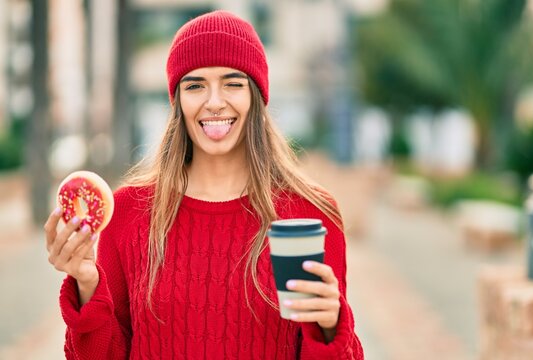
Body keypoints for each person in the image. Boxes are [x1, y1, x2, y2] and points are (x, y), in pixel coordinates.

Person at [44, 10, 363, 359]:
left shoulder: (310, 215)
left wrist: (331, 327)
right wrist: (88, 285)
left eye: (233, 83)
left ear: (256, 96)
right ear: (177, 100)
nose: (214, 102)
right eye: (195, 85)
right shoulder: (128, 215)